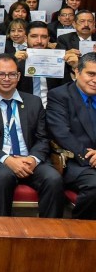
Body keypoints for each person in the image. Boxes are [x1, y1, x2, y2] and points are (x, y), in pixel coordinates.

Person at [0, 53, 63, 217]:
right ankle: (0, 229)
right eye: (1, 74)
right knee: (3, 177)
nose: (6, 79)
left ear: (19, 76)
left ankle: (50, 230)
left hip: (30, 161)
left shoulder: (34, 102)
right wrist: (8, 160)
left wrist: (33, 159)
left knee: (53, 179)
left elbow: (43, 138)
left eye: (12, 74)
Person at [47, 52, 96, 219]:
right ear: (77, 72)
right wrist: (91, 157)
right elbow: (62, 133)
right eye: (91, 74)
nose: (95, 80)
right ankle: (80, 230)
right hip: (76, 161)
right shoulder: (59, 95)